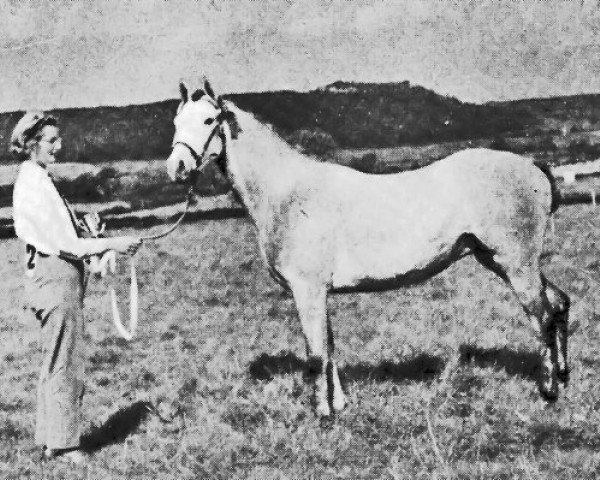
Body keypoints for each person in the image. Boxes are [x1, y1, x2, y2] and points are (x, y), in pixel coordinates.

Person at [10, 111, 141, 464]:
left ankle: (50, 439)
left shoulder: (38, 179)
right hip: (55, 278)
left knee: (55, 360)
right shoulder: (33, 184)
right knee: (65, 361)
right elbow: (65, 245)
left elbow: (66, 237)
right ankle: (66, 445)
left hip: (55, 277)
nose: (59, 146)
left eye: (58, 139)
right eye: (51, 140)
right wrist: (111, 243)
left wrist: (90, 232)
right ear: (31, 143)